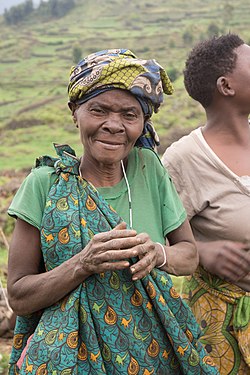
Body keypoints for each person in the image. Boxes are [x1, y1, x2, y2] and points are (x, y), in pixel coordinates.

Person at [7, 49, 219, 375]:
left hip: (153, 356)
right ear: (74, 112)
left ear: (143, 122)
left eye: (129, 115)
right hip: (71, 362)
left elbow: (188, 256)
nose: (113, 125)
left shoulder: (149, 170)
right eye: (99, 110)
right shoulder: (44, 185)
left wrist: (158, 254)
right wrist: (81, 264)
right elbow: (19, 297)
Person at [162, 34, 250, 374]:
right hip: (220, 332)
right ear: (226, 86)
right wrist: (203, 251)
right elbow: (156, 235)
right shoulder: (184, 159)